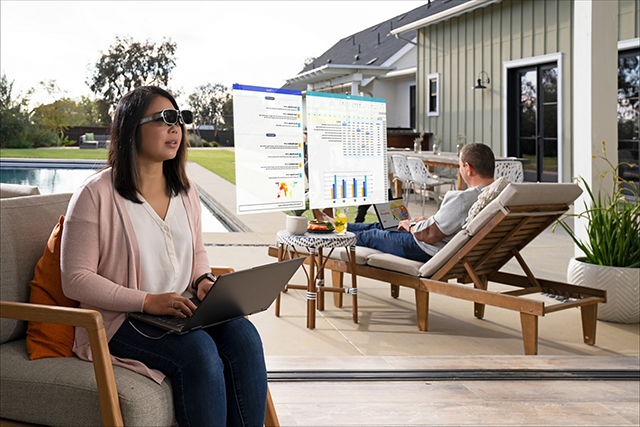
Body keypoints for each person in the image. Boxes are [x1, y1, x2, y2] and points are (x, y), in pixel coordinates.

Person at [60, 86, 267, 426]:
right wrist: (148, 301)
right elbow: (75, 279)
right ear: (131, 128)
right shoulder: (95, 194)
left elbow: (197, 251)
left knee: (245, 337)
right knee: (199, 352)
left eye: (180, 119)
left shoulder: (186, 189)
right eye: (165, 119)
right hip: (122, 320)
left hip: (181, 308)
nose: (177, 128)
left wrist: (202, 281)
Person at [341, 143, 495, 263]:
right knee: (380, 225)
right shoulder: (494, 194)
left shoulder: (463, 199)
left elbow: (429, 234)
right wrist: (427, 221)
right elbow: (447, 225)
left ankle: (334, 234)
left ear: (468, 169)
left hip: (425, 247)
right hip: (437, 240)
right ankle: (335, 226)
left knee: (372, 235)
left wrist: (413, 225)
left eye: (460, 165)